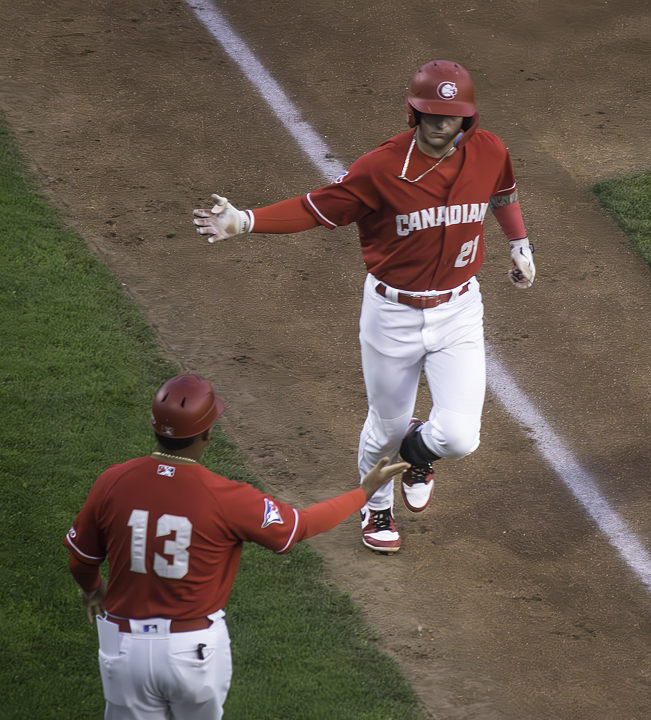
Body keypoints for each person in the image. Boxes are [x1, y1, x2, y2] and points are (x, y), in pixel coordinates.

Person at [192, 60, 536, 555]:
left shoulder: (490, 150)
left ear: (468, 118)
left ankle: (418, 452)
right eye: (431, 113)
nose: (442, 124)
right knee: (385, 424)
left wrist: (519, 243)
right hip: (392, 315)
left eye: (453, 115)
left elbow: (503, 193)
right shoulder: (380, 168)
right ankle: (376, 507)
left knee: (460, 437)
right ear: (413, 112)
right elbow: (315, 208)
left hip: (460, 310)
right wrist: (245, 221)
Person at [63, 373, 408, 719]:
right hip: (192, 652)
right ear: (208, 432)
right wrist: (363, 492)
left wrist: (92, 590)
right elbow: (299, 527)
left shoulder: (113, 481)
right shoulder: (226, 497)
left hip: (124, 649)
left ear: (154, 426)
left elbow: (81, 562)